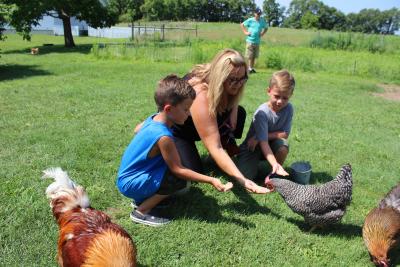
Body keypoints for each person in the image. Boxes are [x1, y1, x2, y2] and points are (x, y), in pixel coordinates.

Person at [117, 75, 233, 227]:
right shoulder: (163, 136)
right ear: (169, 109)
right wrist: (211, 180)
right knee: (177, 177)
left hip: (128, 179)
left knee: (175, 173)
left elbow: (137, 129)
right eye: (186, 109)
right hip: (131, 183)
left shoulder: (153, 118)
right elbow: (178, 170)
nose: (189, 114)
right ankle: (142, 211)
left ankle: (143, 198)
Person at [172, 49, 269, 194]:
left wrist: (233, 114)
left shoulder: (230, 86)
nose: (238, 84)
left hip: (200, 123)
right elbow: (215, 146)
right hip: (179, 131)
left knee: (240, 113)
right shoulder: (201, 92)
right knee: (195, 173)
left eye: (242, 79)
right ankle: (164, 148)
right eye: (233, 80)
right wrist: (243, 180)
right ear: (220, 76)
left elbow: (233, 120)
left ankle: (220, 158)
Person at [237, 69, 295, 180]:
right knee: (246, 177)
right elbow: (264, 143)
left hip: (266, 142)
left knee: (283, 146)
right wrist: (275, 164)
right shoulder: (262, 113)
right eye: (277, 96)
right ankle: (237, 156)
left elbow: (284, 134)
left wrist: (259, 137)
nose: (280, 101)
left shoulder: (289, 109)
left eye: (285, 98)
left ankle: (273, 175)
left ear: (291, 95)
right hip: (252, 147)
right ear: (269, 91)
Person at [240, 7, 268, 74]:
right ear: (254, 13)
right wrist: (245, 32)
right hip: (250, 41)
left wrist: (262, 34)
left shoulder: (262, 21)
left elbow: (266, 28)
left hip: (257, 41)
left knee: (254, 56)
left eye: (260, 14)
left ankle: (251, 68)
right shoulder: (250, 20)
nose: (258, 15)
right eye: (257, 14)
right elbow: (242, 25)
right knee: (249, 56)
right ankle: (248, 69)